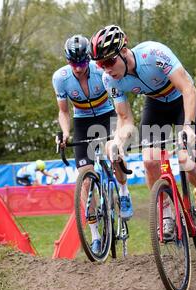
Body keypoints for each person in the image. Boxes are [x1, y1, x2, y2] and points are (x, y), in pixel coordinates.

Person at [89, 25, 196, 239]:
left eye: (108, 61)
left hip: (182, 100)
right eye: (100, 64)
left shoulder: (153, 54)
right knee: (150, 161)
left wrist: (188, 127)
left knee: (187, 161)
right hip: (156, 106)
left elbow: (188, 89)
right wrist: (118, 142)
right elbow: (125, 119)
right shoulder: (110, 79)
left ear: (124, 51)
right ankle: (167, 212)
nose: (105, 68)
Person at [52, 34, 132, 254]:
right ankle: (96, 235)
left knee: (113, 152)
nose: (78, 68)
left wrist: (118, 133)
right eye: (73, 63)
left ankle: (123, 192)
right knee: (85, 176)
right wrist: (66, 133)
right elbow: (63, 111)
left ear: (89, 58)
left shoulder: (101, 72)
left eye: (82, 62)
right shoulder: (60, 78)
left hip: (108, 114)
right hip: (83, 120)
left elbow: (119, 103)